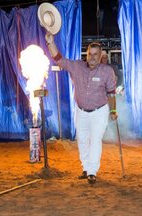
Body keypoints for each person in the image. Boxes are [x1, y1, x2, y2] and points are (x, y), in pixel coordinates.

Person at [45, 32, 117, 184]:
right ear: (86, 53)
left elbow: (111, 94)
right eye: (89, 54)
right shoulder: (77, 66)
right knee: (82, 140)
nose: (92, 57)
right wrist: (51, 43)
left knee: (95, 139)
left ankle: (92, 171)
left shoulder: (107, 71)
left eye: (95, 54)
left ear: (100, 55)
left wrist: (113, 110)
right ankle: (85, 168)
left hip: (100, 111)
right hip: (81, 110)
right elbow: (59, 59)